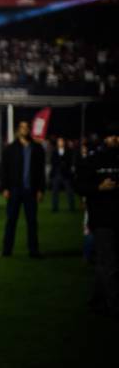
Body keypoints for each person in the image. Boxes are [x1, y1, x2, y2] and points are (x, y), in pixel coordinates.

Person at [75, 135, 119, 317]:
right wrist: (99, 187)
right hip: (101, 219)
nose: (115, 139)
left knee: (104, 262)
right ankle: (115, 305)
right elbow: (79, 186)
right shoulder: (91, 162)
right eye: (111, 136)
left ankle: (97, 300)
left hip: (110, 217)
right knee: (110, 263)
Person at [1, 120, 45, 258]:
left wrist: (40, 190)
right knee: (11, 221)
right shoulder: (10, 148)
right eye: (22, 127)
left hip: (31, 190)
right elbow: (4, 170)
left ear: (29, 129)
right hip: (14, 190)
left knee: (32, 222)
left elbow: (40, 171)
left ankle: (34, 251)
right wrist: (5, 188)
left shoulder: (37, 148)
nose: (24, 129)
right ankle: (7, 251)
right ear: (18, 130)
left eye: (26, 127)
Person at [50, 136, 77, 212]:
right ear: (57, 143)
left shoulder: (68, 151)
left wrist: (64, 164)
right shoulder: (54, 151)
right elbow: (53, 161)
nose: (60, 142)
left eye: (62, 141)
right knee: (55, 192)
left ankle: (72, 207)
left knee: (69, 191)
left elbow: (70, 161)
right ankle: (55, 208)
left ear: (64, 142)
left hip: (66, 174)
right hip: (56, 173)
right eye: (59, 141)